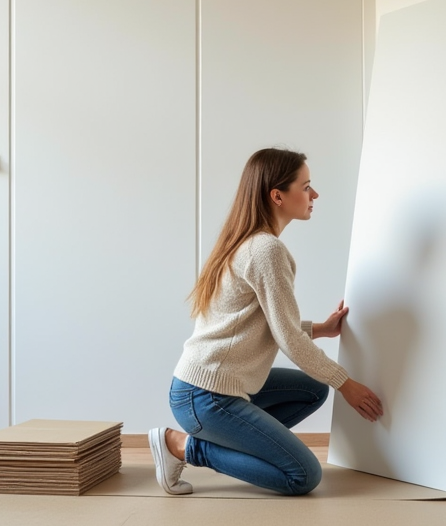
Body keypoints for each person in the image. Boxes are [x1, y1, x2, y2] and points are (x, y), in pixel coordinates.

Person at [148, 148, 384, 496]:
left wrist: (321, 329)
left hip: (203, 388)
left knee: (312, 389)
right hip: (206, 396)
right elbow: (288, 339)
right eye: (306, 187)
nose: (314, 194)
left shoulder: (248, 243)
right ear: (278, 196)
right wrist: (346, 384)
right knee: (303, 476)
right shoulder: (266, 251)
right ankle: (182, 447)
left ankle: (237, 444)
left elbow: (264, 323)